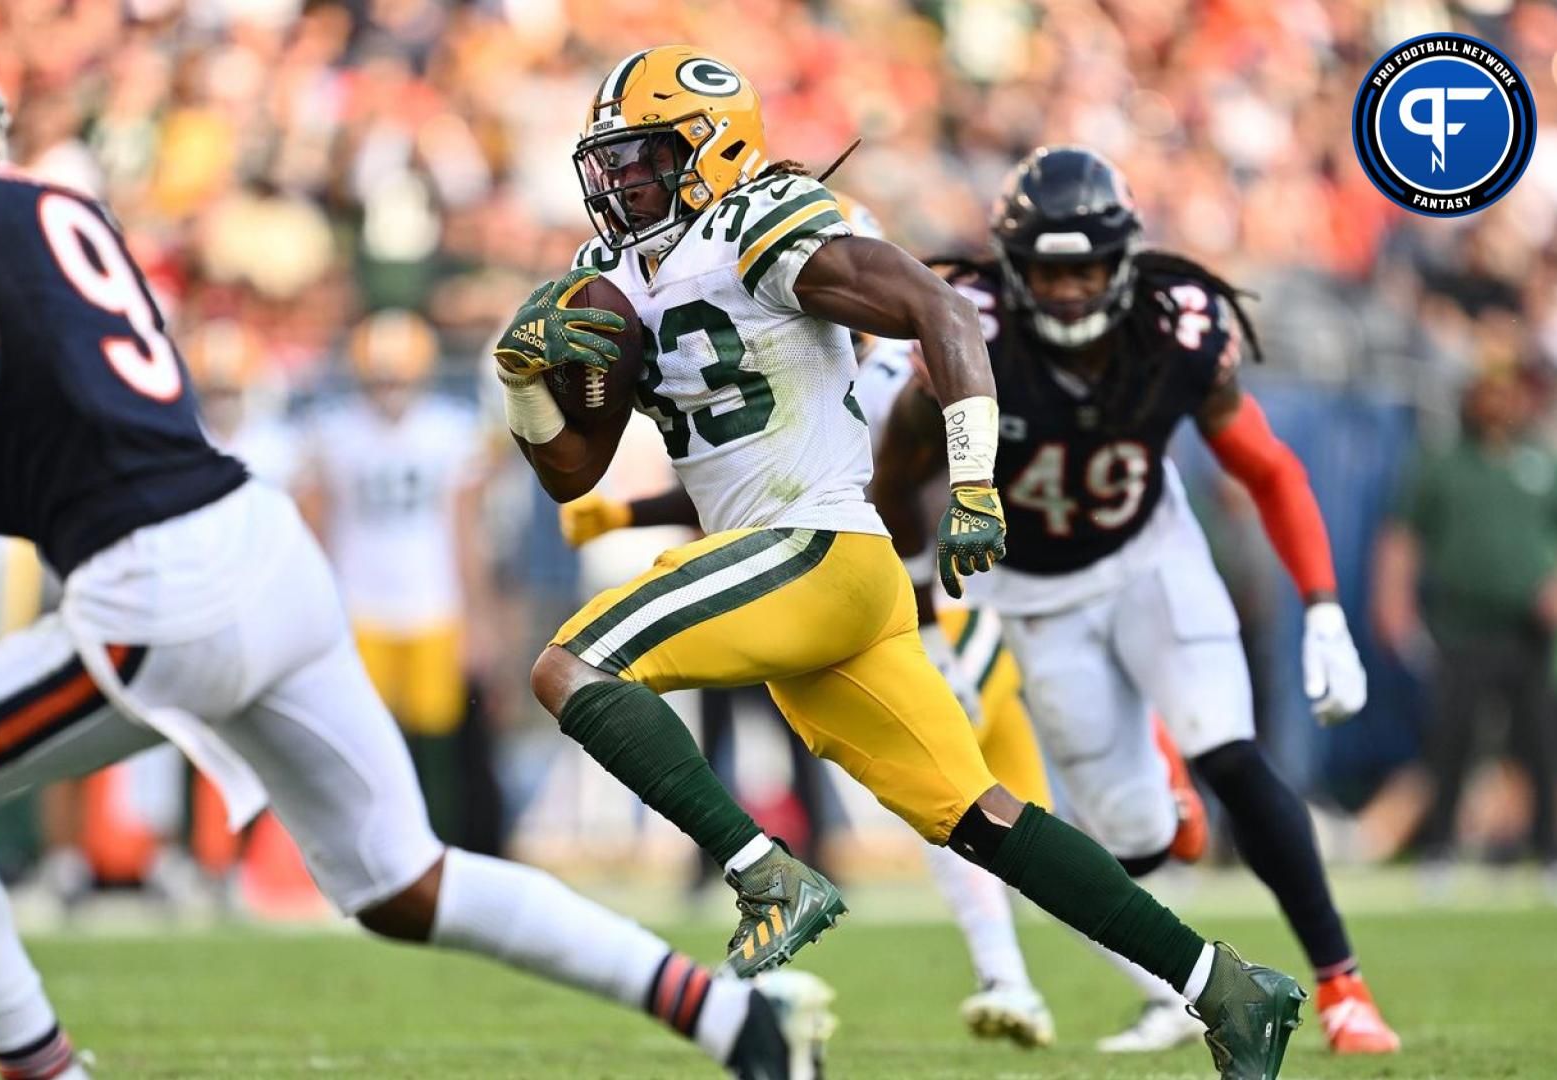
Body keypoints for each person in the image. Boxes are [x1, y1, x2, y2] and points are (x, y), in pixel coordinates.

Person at [0, 7, 832, 1080]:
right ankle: (735, 1021)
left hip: (163, 589)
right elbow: (104, 465)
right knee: (404, 883)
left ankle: (48, 1073)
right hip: (256, 549)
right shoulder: (58, 205)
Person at [494, 46, 1303, 1079]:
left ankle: (763, 874)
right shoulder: (618, 277)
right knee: (981, 817)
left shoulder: (758, 219)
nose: (622, 181)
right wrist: (528, 386)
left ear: (714, 149)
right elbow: (573, 473)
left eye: (647, 156)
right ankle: (1227, 989)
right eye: (612, 161)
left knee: (571, 664)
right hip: (818, 583)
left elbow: (943, 311)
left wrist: (971, 482)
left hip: (812, 548)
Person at [873, 146, 1399, 1055]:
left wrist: (1322, 606)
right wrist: (922, 615)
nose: (1070, 289)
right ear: (1012, 266)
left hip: (1154, 556)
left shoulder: (1179, 326)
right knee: (1136, 838)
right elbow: (897, 472)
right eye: (1048, 267)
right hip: (1035, 592)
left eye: (1086, 267)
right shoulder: (970, 330)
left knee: (1230, 751)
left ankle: (1344, 986)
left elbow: (1267, 467)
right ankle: (1167, 814)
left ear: (1123, 260)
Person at [1372, 365, 1557, 894]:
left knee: (1541, 742)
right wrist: (1393, 604)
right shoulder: (1443, 465)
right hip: (1462, 625)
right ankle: (1439, 851)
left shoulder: (1543, 462)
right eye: (1487, 391)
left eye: (1505, 390)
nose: (1497, 401)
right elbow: (1402, 537)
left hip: (1529, 629)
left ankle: (1554, 854)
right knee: (1452, 739)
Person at [298, 309, 498, 847]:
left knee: (438, 745)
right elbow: (315, 529)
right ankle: (372, 848)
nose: (388, 390)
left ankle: (436, 849)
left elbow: (465, 533)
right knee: (365, 743)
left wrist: (478, 619)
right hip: (359, 604)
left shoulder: (449, 431)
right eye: (379, 378)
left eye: (398, 378)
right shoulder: (334, 433)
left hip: (433, 603)